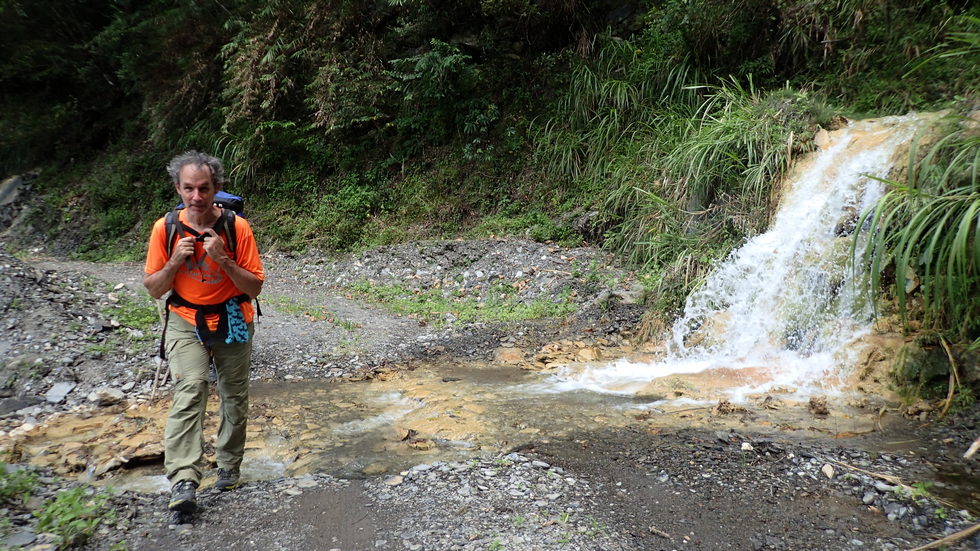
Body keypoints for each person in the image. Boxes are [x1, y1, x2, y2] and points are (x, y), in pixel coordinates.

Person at [143, 151, 264, 516]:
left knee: (234, 395)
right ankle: (183, 479)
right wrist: (175, 261)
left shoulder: (236, 228)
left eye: (204, 188)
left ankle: (228, 466)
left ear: (217, 188)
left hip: (233, 315)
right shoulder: (164, 228)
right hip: (185, 318)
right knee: (191, 388)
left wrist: (224, 258)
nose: (196, 197)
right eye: (189, 189)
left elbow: (255, 287)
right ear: (178, 188)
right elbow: (153, 287)